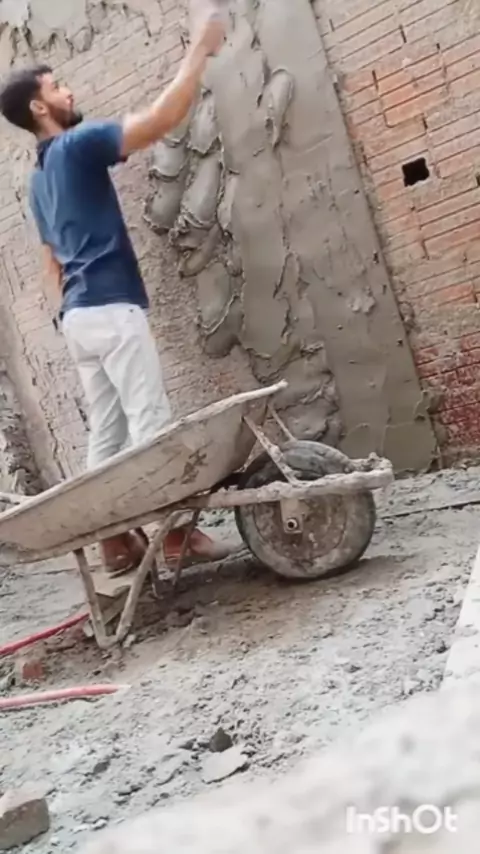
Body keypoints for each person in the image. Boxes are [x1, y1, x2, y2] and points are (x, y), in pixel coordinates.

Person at [0, 9, 233, 576]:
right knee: (150, 419)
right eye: (56, 86)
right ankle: (175, 537)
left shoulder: (40, 180)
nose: (68, 91)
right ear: (39, 108)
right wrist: (199, 50)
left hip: (79, 317)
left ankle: (113, 544)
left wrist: (68, 312)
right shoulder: (77, 144)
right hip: (109, 306)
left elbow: (50, 259)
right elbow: (158, 121)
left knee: (107, 431)